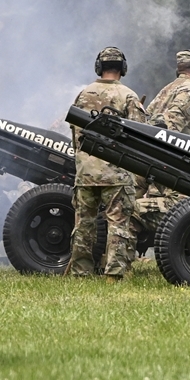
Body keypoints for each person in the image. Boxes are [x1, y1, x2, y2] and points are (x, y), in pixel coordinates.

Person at [66, 47, 147, 281]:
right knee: (118, 226)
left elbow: (75, 135)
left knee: (84, 226)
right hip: (117, 176)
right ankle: (113, 275)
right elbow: (140, 138)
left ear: (99, 67)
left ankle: (81, 273)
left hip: (86, 173)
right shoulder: (129, 96)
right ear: (123, 68)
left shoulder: (83, 94)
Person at [134, 49, 190, 234]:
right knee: (183, 217)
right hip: (173, 167)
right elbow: (169, 130)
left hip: (157, 165)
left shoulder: (168, 88)